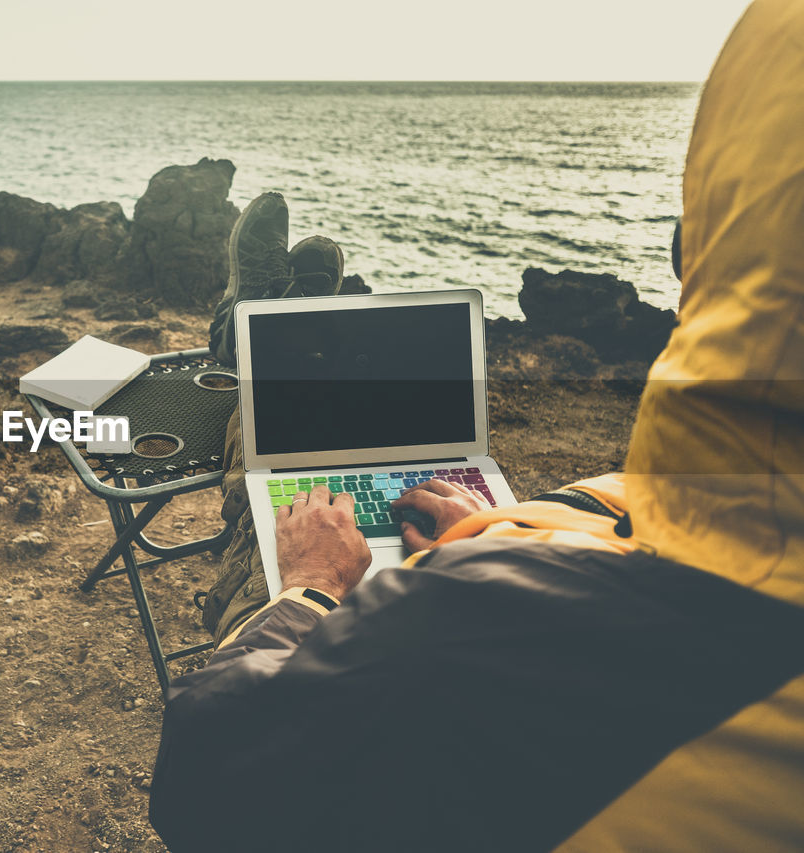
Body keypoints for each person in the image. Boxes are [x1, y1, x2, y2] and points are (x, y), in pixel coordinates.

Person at [150, 1, 804, 850]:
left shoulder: (464, 641)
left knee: (266, 462)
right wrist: (499, 533)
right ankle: (282, 328)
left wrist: (313, 586)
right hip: (488, 554)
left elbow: (207, 768)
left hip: (399, 634)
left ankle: (250, 329)